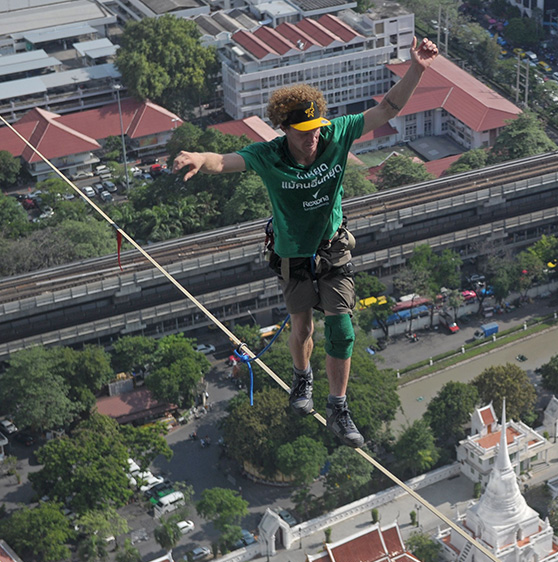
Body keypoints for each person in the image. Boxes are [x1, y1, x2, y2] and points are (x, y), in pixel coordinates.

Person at [173, 38, 440, 448]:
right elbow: (225, 161)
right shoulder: (270, 155)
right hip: (292, 253)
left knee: (343, 328)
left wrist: (417, 69)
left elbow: (387, 108)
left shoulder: (335, 135)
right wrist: (198, 159)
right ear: (284, 129)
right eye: (302, 133)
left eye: (316, 130)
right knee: (302, 327)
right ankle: (303, 380)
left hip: (332, 247)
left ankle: (338, 406)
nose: (312, 138)